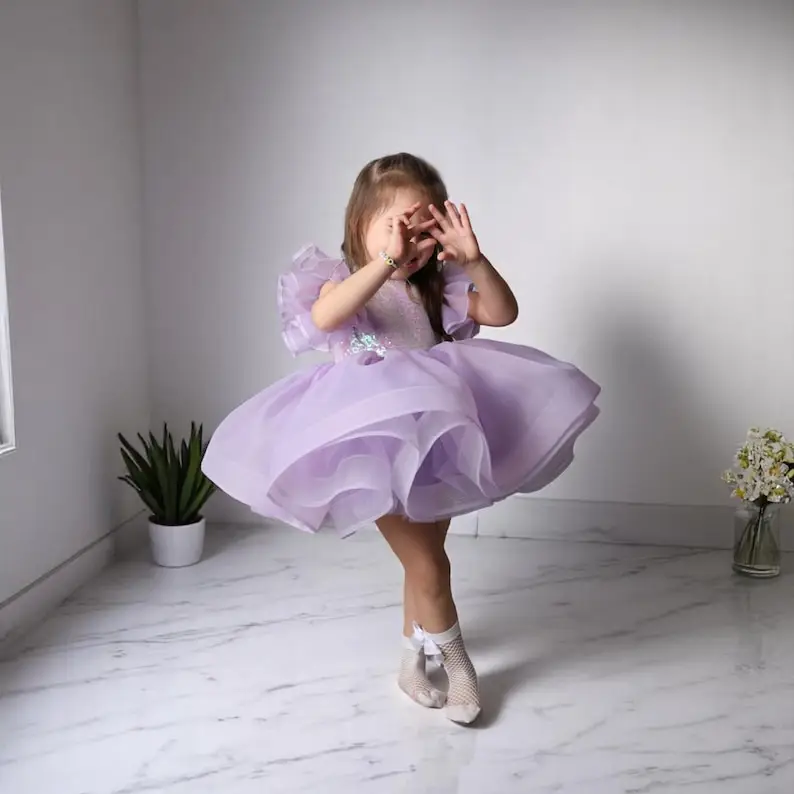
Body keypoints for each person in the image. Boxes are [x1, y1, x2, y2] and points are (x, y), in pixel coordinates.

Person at [202, 153, 600, 724]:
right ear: (359, 223)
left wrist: (476, 260)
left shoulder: (431, 288)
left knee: (427, 560)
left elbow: (502, 312)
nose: (409, 246)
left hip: (436, 435)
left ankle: (414, 661)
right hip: (373, 446)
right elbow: (323, 319)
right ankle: (460, 669)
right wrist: (385, 261)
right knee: (431, 567)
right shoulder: (344, 284)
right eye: (397, 228)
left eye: (422, 233)